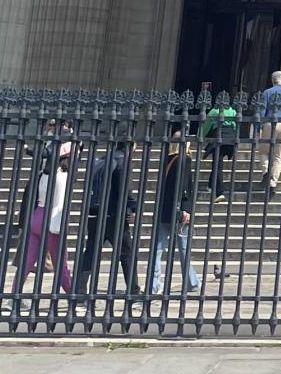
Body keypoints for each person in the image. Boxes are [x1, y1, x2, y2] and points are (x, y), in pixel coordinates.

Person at [75, 140, 140, 296]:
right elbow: (126, 188)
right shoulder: (122, 161)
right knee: (126, 253)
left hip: (94, 213)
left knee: (90, 252)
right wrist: (134, 209)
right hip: (114, 215)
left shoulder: (102, 160)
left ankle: (80, 290)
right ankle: (133, 290)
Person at [13, 144, 75, 304]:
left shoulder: (43, 175)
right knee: (61, 263)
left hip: (36, 216)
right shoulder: (63, 176)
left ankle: (14, 296)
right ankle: (72, 294)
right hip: (51, 218)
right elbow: (59, 203)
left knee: (27, 260)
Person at [149, 135, 201, 296]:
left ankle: (153, 285)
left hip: (165, 210)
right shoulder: (184, 159)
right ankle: (191, 281)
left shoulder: (168, 160)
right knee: (183, 248)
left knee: (157, 249)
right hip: (179, 211)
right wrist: (185, 208)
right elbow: (184, 186)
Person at [260, 70, 281, 194]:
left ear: (272, 80)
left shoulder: (267, 92)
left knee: (264, 151)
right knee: (278, 155)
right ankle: (273, 181)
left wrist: (260, 126)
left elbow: (262, 110)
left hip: (270, 123)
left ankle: (266, 172)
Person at [200, 97, 239, 202]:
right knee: (216, 164)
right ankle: (210, 185)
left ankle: (220, 191)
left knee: (218, 165)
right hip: (230, 138)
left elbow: (207, 126)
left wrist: (201, 137)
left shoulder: (214, 111)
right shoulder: (232, 111)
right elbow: (235, 126)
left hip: (219, 137)